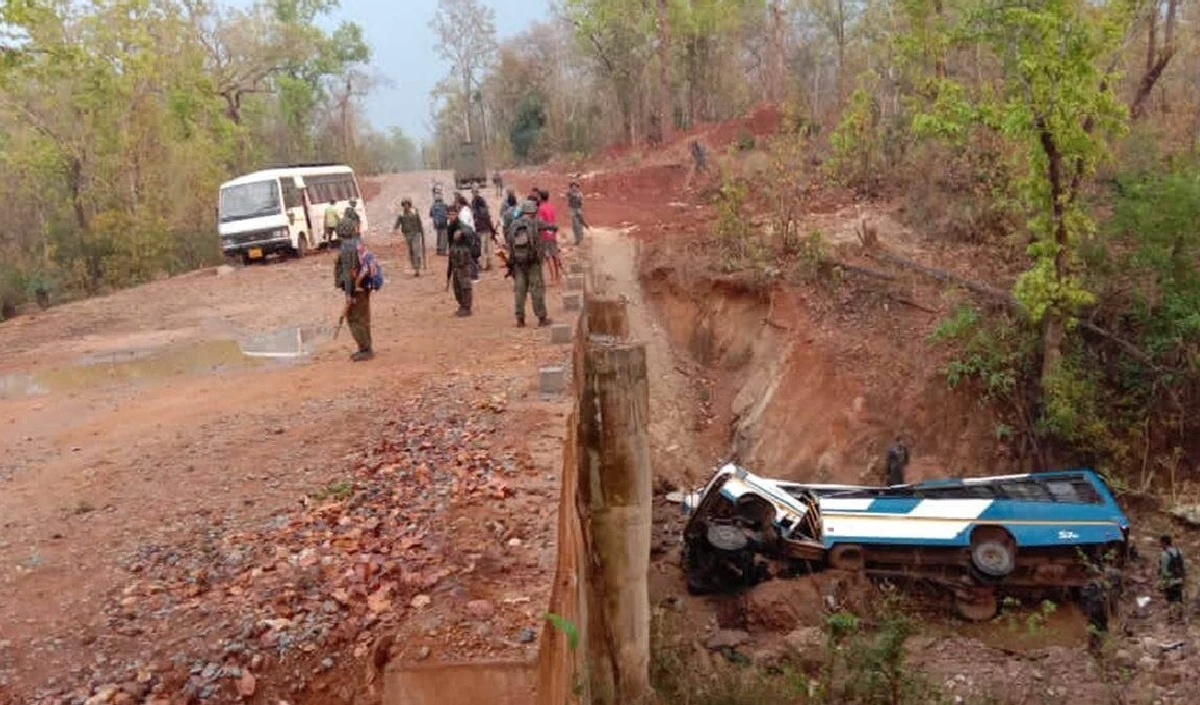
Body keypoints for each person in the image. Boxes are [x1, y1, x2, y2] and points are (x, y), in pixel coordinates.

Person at [506, 199, 555, 328]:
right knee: (536, 288)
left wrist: (512, 262)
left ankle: (519, 318)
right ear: (532, 211)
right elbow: (549, 226)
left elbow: (509, 243)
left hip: (518, 262)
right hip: (533, 262)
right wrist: (554, 228)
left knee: (519, 290)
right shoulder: (535, 222)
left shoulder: (514, 224)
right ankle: (542, 318)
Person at [333, 217, 374, 361]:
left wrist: (349, 294)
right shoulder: (357, 243)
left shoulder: (346, 248)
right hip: (364, 286)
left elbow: (349, 272)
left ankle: (365, 349)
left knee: (355, 318)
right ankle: (366, 346)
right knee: (363, 317)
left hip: (356, 288)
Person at [446, 208, 475, 317]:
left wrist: (461, 232)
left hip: (463, 261)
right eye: (450, 214)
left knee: (465, 284)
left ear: (457, 214)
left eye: (453, 214)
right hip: (455, 260)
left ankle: (467, 307)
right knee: (457, 286)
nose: (452, 216)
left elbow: (469, 231)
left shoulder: (461, 225)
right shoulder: (450, 227)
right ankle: (462, 305)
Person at [535, 189, 562, 285]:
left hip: (545, 234)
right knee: (555, 255)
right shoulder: (551, 207)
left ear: (541, 197)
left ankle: (553, 278)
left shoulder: (540, 209)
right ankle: (558, 277)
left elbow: (540, 223)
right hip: (552, 234)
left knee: (548, 256)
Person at [393, 198, 425, 277]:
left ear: (409, 205)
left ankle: (417, 268)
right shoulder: (401, 214)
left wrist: (422, 232)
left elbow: (419, 222)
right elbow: (397, 223)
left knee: (415, 250)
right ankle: (414, 267)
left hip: (416, 234)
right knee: (411, 251)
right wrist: (394, 230)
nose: (406, 206)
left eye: (407, 204)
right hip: (407, 235)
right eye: (404, 205)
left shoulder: (415, 212)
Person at [471, 188, 497, 272]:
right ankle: (490, 264)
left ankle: (483, 265)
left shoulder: (476, 208)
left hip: (480, 230)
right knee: (488, 248)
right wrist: (492, 230)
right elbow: (488, 219)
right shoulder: (483, 208)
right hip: (486, 229)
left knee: (482, 248)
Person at [1159, 535, 1186, 610]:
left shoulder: (1164, 555)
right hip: (1179, 580)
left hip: (1170, 582)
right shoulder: (1179, 551)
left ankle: (1171, 619)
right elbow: (1183, 567)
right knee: (1179, 601)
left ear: (1164, 543)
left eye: (1161, 543)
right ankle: (1180, 617)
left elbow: (1164, 572)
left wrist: (1161, 584)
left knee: (1170, 603)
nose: (1160, 545)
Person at [567, 181, 585, 246]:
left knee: (580, 224)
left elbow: (581, 203)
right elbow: (568, 194)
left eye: (575, 187)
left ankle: (580, 237)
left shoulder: (580, 194)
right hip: (572, 209)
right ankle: (577, 239)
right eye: (572, 187)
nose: (574, 188)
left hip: (578, 209)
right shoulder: (569, 193)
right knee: (575, 225)